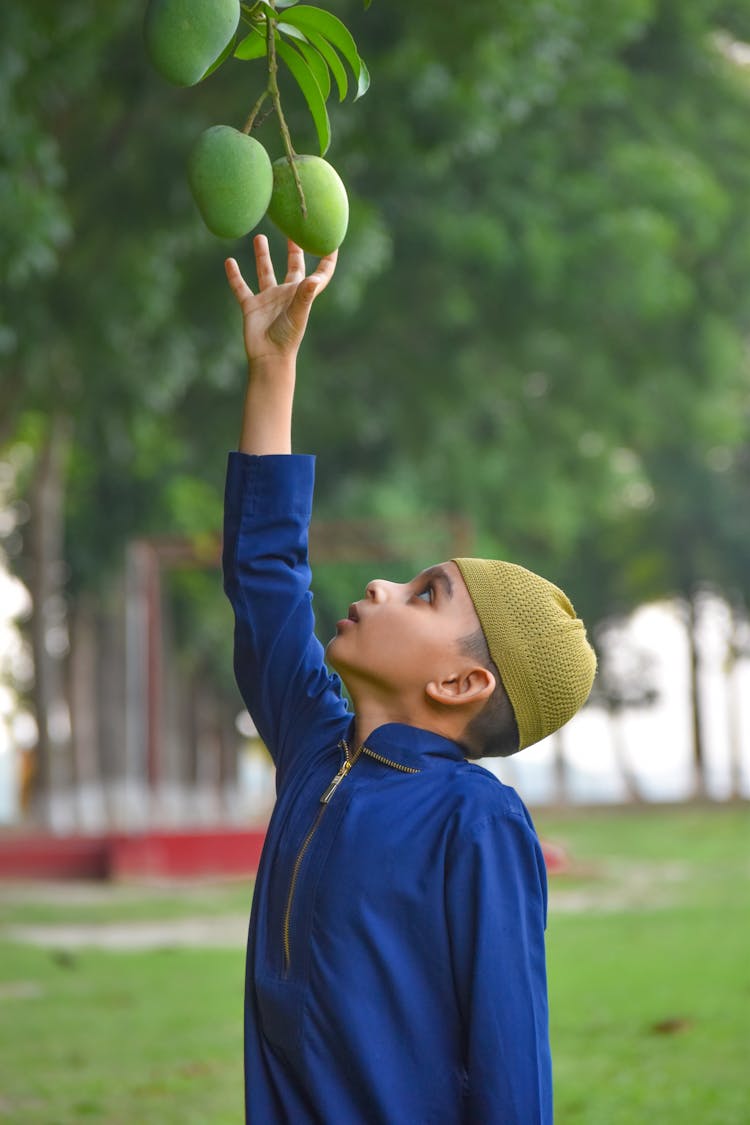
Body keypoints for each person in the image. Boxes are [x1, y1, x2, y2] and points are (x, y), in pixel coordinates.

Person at [222, 235, 597, 1124]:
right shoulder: (318, 748)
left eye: (426, 594)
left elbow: (511, 1062)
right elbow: (265, 579)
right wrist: (274, 371)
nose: (385, 584)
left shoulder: (478, 818)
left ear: (464, 683)